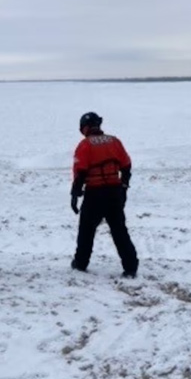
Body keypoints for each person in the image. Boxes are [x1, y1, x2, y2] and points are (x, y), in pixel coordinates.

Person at [70, 112, 139, 278]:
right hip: (114, 192)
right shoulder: (115, 141)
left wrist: (75, 195)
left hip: (94, 193)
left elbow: (80, 173)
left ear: (85, 128)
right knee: (119, 230)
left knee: (86, 230)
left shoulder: (85, 145)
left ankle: (81, 263)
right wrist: (123, 186)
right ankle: (131, 266)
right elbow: (127, 166)